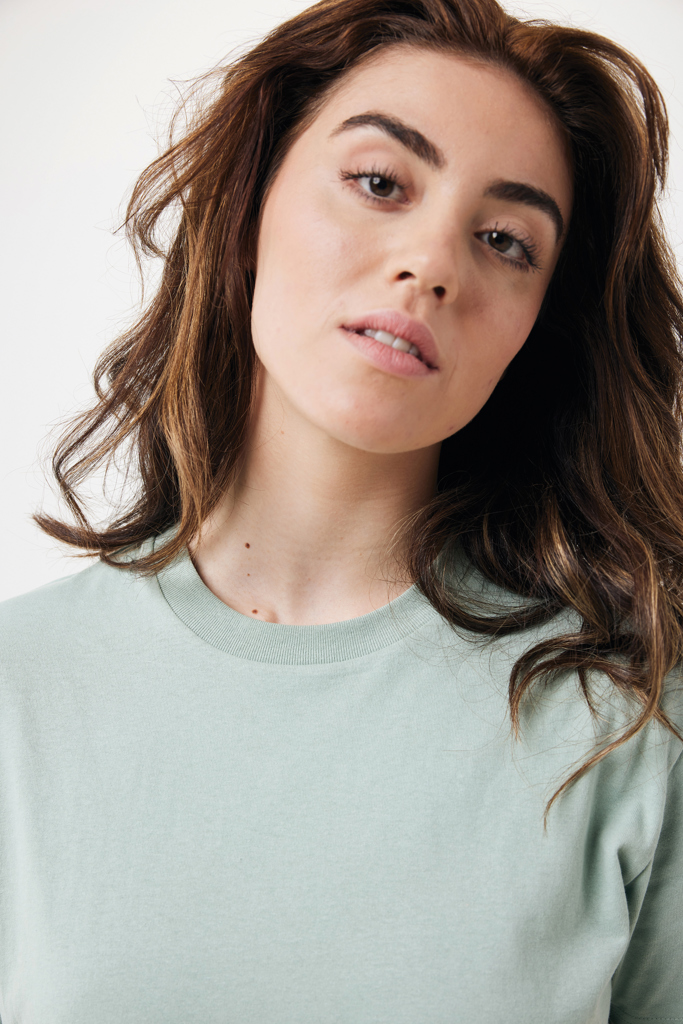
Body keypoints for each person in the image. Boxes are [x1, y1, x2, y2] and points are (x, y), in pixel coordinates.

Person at [1, 0, 682, 1019]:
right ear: (249, 202)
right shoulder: (19, 691)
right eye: (378, 182)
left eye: (504, 240)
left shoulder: (626, 718)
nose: (432, 264)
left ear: (538, 327)